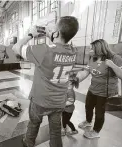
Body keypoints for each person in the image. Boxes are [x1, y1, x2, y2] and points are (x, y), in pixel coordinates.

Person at [12, 16, 79, 147]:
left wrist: (30, 34)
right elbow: (59, 47)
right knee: (55, 132)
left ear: (57, 32)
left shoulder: (44, 50)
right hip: (59, 101)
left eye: (55, 26)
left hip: (40, 100)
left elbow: (16, 47)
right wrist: (52, 35)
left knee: (34, 124)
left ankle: (28, 142)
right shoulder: (73, 51)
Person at [77, 39, 122, 138]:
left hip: (105, 92)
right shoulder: (93, 58)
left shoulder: (115, 58)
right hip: (93, 89)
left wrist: (113, 66)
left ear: (99, 49)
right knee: (88, 106)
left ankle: (96, 131)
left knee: (99, 112)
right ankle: (88, 121)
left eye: (91, 49)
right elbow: (86, 71)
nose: (90, 51)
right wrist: (77, 79)